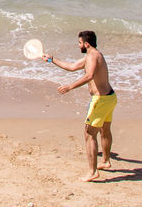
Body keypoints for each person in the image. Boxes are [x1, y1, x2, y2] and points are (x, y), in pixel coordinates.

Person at [44, 30, 116, 182]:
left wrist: (70, 87)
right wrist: (52, 60)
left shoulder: (91, 57)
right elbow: (71, 66)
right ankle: (106, 160)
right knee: (105, 129)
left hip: (100, 100)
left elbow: (89, 75)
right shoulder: (95, 55)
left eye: (79, 43)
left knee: (89, 134)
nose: (78, 45)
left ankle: (92, 172)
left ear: (86, 43)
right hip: (110, 97)